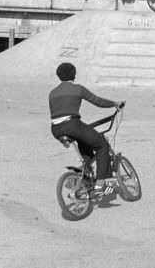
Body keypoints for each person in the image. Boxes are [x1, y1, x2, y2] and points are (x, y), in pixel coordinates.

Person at [49, 62, 124, 197]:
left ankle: (86, 173)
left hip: (56, 129)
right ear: (74, 75)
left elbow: (59, 113)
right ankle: (101, 184)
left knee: (85, 139)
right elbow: (97, 101)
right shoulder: (77, 89)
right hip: (72, 125)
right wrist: (114, 104)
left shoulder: (52, 93)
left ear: (58, 76)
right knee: (101, 145)